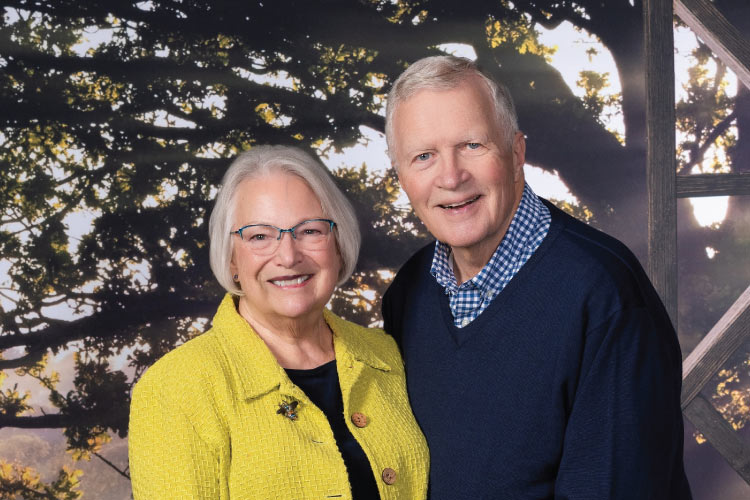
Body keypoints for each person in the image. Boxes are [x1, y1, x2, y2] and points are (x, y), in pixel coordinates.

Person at [381, 55, 692, 499]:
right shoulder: (408, 292)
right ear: (402, 177)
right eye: (424, 156)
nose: (450, 176)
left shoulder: (606, 296)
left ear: (516, 153)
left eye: (472, 145)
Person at [129, 145, 429, 499]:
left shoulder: (385, 355)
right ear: (232, 260)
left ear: (338, 245)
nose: (288, 256)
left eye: (310, 231)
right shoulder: (175, 388)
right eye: (259, 236)